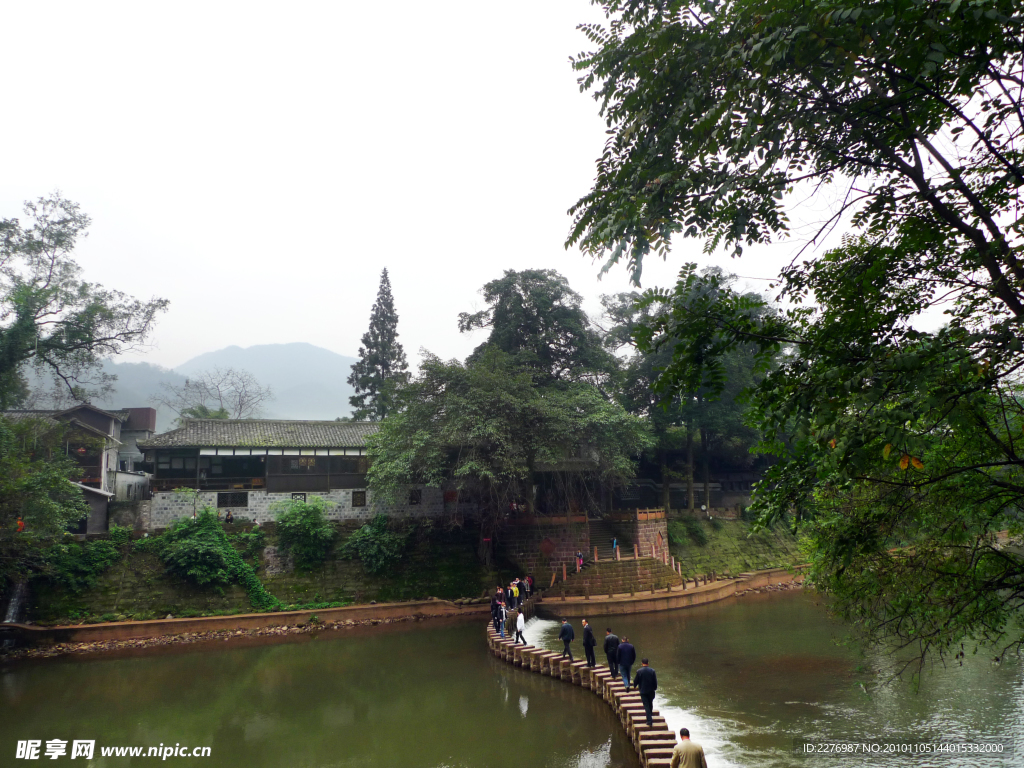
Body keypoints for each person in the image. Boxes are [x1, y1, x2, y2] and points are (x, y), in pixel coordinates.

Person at [633, 658, 658, 727]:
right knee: (650, 703)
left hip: (643, 691)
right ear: (648, 663)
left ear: (642, 663)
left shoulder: (639, 671)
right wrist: (655, 688)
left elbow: (636, 680)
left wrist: (634, 686)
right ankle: (649, 716)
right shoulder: (652, 671)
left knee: (646, 705)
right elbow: (655, 681)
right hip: (651, 691)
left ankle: (649, 721)